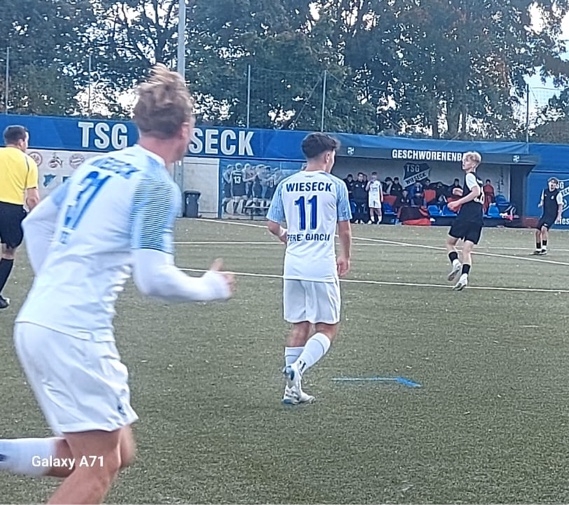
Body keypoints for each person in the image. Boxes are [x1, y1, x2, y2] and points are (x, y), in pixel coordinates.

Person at [0, 64, 234, 504]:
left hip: (40, 321)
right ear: (186, 130)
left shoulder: (98, 167)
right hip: (74, 331)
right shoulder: (155, 184)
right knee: (97, 468)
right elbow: (154, 278)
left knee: (114, 452)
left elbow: (37, 223)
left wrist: (56, 286)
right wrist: (212, 286)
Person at [267, 133, 353, 404]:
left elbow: (272, 225)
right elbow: (344, 229)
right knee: (328, 328)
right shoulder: (336, 185)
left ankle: (291, 391)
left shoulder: (286, 184)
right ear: (327, 156)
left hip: (293, 265)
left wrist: (288, 238)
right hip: (320, 265)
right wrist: (345, 256)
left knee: (299, 325)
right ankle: (299, 368)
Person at [0, 125, 40, 308]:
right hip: (11, 210)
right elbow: (32, 199)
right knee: (8, 252)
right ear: (21, 141)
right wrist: (37, 218)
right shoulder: (28, 162)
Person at [445, 152, 485, 291]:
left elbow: (475, 192)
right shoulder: (479, 179)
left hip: (467, 215)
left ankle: (455, 262)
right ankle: (464, 277)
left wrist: (457, 202)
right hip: (478, 217)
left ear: (473, 164)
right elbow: (476, 195)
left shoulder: (469, 176)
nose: (463, 163)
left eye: (466, 161)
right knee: (467, 250)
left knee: (450, 243)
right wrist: (461, 193)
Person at [534, 177, 563, 255]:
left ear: (556, 185)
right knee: (537, 231)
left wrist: (559, 216)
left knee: (544, 229)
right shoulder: (545, 191)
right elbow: (542, 200)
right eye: (551, 183)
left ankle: (544, 248)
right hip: (545, 215)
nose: (552, 184)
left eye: (554, 183)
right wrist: (541, 203)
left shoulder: (558, 193)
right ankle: (538, 249)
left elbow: (560, 205)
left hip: (552, 215)